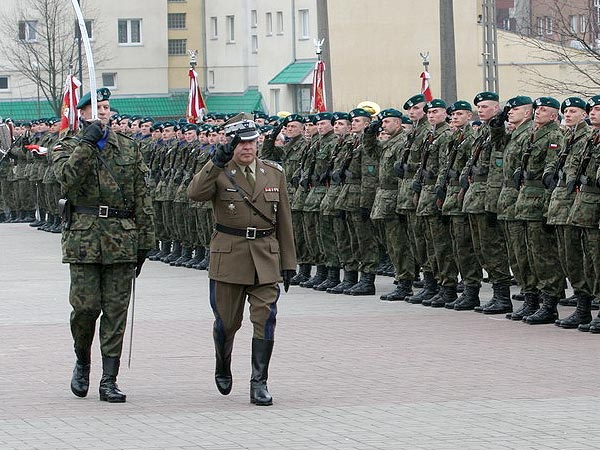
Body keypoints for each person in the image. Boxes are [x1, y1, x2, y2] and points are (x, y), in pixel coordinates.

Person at [52, 87, 155, 403]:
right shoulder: (67, 147)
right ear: (82, 113)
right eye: (96, 108)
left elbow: (142, 196)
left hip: (121, 239)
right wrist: (86, 144)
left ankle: (109, 379)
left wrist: (145, 243)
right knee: (85, 309)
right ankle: (82, 360)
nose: (103, 112)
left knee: (115, 311)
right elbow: (66, 180)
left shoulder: (127, 148)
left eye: (107, 107)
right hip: (84, 239)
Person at [187, 113, 296, 406]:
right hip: (230, 257)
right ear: (231, 144)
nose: (247, 148)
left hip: (265, 257)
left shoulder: (274, 173)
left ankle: (259, 382)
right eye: (241, 143)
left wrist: (288, 263)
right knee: (227, 323)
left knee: (266, 319)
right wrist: (215, 163)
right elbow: (195, 193)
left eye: (252, 142)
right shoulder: (219, 171)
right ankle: (223, 364)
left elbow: (284, 220)